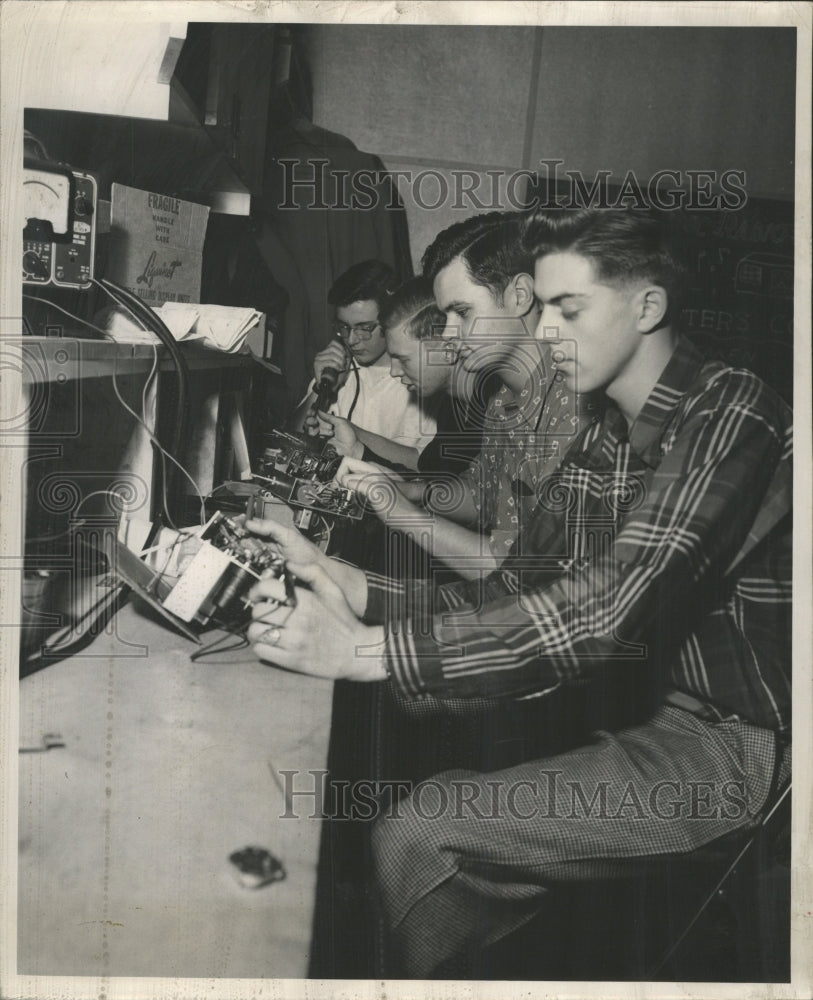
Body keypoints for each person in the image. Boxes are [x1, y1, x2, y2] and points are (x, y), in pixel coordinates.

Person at [246, 207, 792, 977]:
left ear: (647, 307)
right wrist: (351, 584)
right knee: (417, 787)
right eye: (543, 308)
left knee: (419, 830)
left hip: (742, 750)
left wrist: (368, 650)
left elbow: (603, 611)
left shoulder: (731, 410)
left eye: (569, 310)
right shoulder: (604, 433)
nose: (546, 332)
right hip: (655, 704)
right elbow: (510, 586)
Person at [341, 212, 596, 578]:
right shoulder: (502, 399)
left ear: (519, 295)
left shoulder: (574, 406)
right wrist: (407, 489)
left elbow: (513, 566)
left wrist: (404, 515)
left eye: (461, 312)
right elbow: (480, 495)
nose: (447, 335)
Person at [291, 259, 436, 469]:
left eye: (364, 328)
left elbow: (425, 464)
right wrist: (320, 390)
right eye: (344, 327)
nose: (351, 340)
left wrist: (354, 433)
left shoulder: (422, 377)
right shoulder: (338, 369)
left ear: (391, 319)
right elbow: (289, 443)